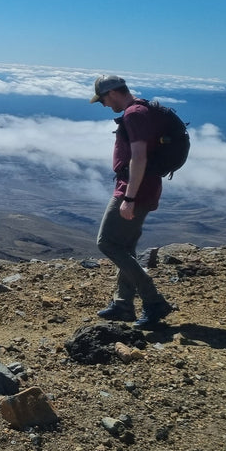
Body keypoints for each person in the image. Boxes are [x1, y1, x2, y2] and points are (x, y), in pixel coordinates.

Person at [90, 75, 175, 328]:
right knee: (125, 247)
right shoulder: (145, 109)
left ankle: (154, 301)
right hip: (144, 187)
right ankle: (122, 304)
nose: (104, 105)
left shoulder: (134, 114)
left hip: (134, 189)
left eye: (103, 99)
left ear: (113, 93)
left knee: (106, 242)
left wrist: (129, 197)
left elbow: (138, 158)